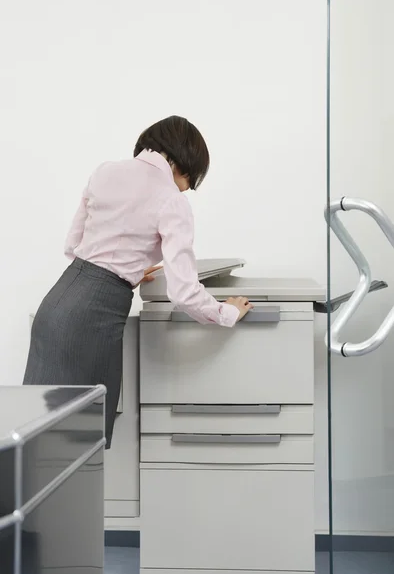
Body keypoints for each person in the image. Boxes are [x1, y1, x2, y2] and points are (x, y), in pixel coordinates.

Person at [23, 115, 253, 448]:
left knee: (39, 439)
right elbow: (184, 292)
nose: (188, 188)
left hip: (55, 306)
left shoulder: (106, 171)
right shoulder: (172, 200)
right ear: (186, 164)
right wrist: (228, 312)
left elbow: (73, 247)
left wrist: (126, 269)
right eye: (192, 179)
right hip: (92, 321)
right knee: (79, 443)